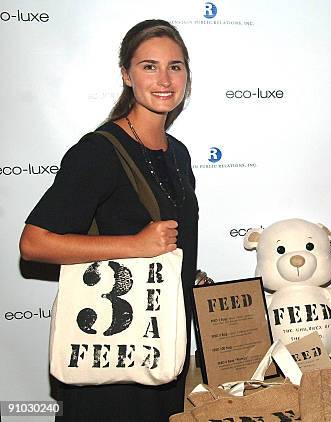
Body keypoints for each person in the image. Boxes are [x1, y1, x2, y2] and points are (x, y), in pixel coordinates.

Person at [19, 19, 197, 422]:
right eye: (149, 66)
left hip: (162, 345)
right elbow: (34, 243)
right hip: (111, 357)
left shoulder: (179, 153)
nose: (165, 78)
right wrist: (134, 245)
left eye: (176, 66)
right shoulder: (98, 152)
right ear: (126, 75)